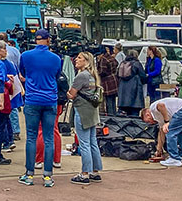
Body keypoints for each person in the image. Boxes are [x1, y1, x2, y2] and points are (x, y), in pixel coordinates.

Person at [17, 29, 61, 188]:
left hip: (32, 99)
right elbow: (57, 76)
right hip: (50, 100)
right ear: (48, 40)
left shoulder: (26, 56)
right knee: (49, 138)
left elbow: (22, 73)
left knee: (31, 137)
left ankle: (29, 174)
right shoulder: (56, 58)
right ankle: (48, 176)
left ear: (35, 40)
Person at [68, 51, 103, 185]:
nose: (76, 59)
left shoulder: (81, 76)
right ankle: (95, 171)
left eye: (80, 58)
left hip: (82, 111)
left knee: (84, 143)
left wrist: (67, 93)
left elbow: (71, 94)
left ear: (86, 61)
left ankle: (84, 174)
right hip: (92, 111)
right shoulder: (92, 76)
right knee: (92, 141)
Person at [142, 97, 182, 167]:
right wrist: (159, 149)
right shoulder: (158, 117)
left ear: (147, 115)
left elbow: (161, 105)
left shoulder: (152, 108)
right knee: (181, 133)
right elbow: (161, 132)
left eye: (148, 121)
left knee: (170, 133)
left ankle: (174, 158)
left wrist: (167, 121)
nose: (150, 123)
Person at [0, 32, 22, 141]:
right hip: (14, 78)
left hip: (2, 81)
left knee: (3, 108)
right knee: (13, 107)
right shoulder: (15, 51)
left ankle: (6, 134)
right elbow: (19, 65)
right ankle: (15, 130)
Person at [116, 49, 147, 117]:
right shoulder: (137, 64)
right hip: (135, 95)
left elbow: (117, 75)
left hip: (123, 96)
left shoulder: (122, 63)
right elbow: (143, 77)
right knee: (134, 115)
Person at [96, 46, 119, 115]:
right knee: (113, 101)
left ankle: (111, 116)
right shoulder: (111, 57)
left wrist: (97, 70)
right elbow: (116, 63)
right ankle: (114, 115)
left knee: (108, 102)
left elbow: (102, 72)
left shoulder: (103, 59)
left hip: (107, 82)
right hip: (114, 79)